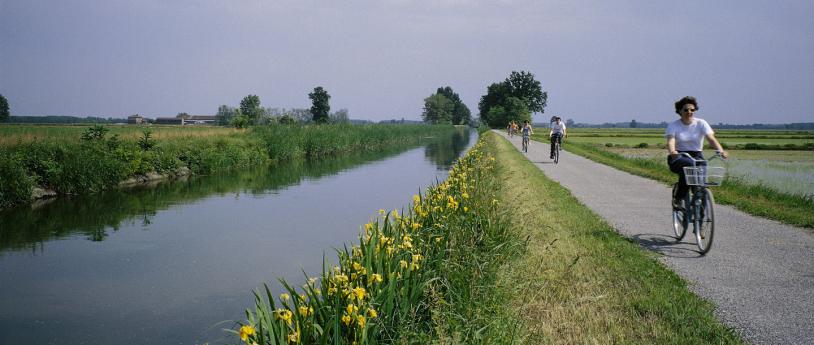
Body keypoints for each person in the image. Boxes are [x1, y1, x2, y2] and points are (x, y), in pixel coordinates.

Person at [666, 96, 728, 209]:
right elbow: (671, 140)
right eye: (686, 110)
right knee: (689, 166)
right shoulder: (674, 125)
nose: (689, 112)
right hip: (679, 156)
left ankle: (701, 213)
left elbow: (711, 139)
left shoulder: (701, 123)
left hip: (697, 155)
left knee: (701, 182)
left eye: (692, 110)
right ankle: (678, 197)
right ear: (680, 111)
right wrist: (673, 151)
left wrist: (720, 151)